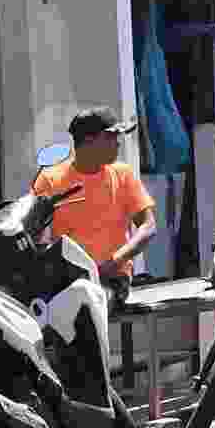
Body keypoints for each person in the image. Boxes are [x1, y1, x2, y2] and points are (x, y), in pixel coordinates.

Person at [33, 108, 158, 302]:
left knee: (91, 304)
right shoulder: (50, 179)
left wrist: (115, 261)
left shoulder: (122, 174)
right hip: (65, 280)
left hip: (112, 278)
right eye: (110, 137)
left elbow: (148, 226)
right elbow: (37, 235)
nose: (117, 143)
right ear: (88, 141)